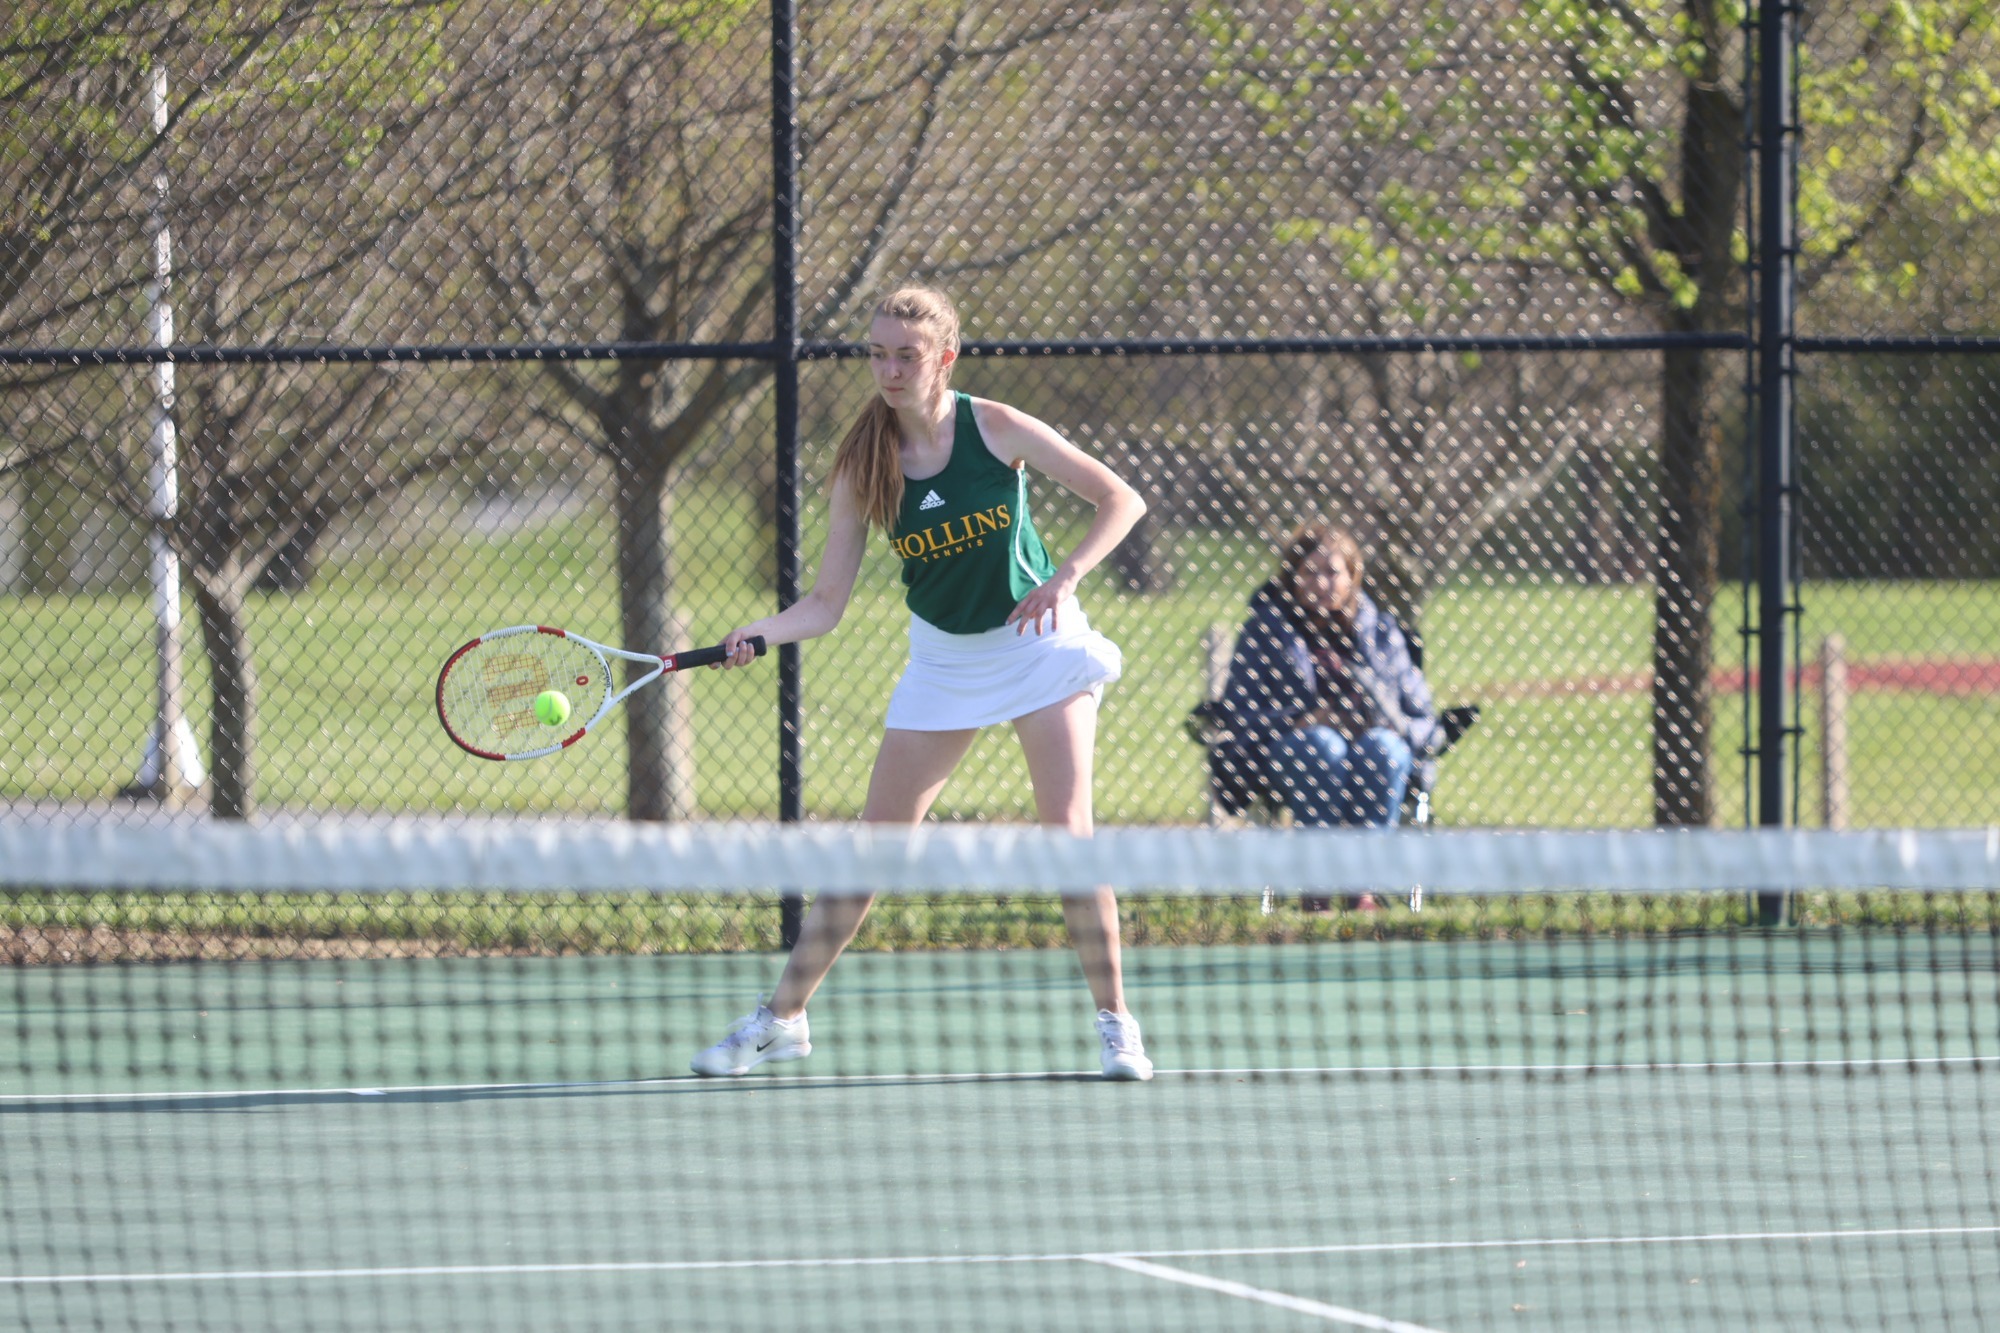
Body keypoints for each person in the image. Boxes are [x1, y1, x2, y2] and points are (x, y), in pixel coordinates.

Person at [689, 285, 1154, 1081]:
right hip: (945, 662)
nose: (890, 368)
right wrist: (757, 633)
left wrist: (1067, 576)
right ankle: (784, 1019)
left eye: (907, 354)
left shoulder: (994, 425)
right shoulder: (862, 463)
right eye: (877, 353)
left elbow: (1122, 499)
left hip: (1039, 646)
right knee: (875, 849)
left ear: (945, 358)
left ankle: (1117, 1024)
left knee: (1068, 831)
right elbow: (827, 604)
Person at [1210, 522, 1441, 910]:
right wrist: (1295, 721)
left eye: (1333, 572)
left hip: (1373, 749)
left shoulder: (1384, 632)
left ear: (1353, 577)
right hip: (1294, 753)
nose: (1321, 582)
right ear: (1292, 576)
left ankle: (1360, 888)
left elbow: (1423, 720)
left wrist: (1385, 723)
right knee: (1320, 745)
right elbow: (1238, 714)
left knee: (1383, 749)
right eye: (1310, 571)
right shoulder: (1264, 631)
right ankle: (1316, 887)